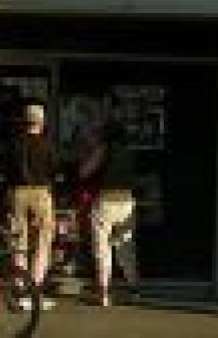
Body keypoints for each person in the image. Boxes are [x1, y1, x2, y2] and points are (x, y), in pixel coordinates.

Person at [79, 119, 139, 307]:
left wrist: (90, 152)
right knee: (125, 248)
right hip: (127, 202)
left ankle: (104, 293)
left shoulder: (103, 149)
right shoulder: (130, 152)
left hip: (106, 202)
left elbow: (84, 172)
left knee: (102, 249)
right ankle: (134, 288)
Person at [6, 103, 57, 308]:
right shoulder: (47, 144)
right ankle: (35, 288)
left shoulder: (14, 144)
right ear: (42, 122)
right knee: (43, 242)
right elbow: (55, 169)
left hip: (18, 193)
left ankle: (19, 286)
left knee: (19, 241)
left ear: (24, 122)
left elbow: (7, 169)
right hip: (41, 193)